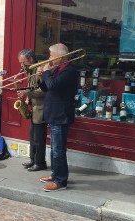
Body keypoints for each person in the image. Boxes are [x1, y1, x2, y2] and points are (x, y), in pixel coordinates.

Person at [38, 43, 78, 192]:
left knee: (58, 150)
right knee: (54, 149)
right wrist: (41, 76)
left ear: (60, 57)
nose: (49, 58)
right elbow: (45, 87)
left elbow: (53, 85)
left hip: (61, 115)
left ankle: (61, 181)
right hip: (53, 114)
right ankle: (55, 175)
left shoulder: (69, 71)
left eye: (51, 56)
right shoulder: (56, 70)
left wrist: (46, 73)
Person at [17, 49, 47, 172]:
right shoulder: (30, 70)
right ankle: (33, 159)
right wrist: (27, 99)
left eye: (23, 62)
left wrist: (27, 93)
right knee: (32, 136)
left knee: (39, 139)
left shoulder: (41, 69)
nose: (21, 65)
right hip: (34, 108)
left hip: (41, 108)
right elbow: (32, 87)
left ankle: (40, 163)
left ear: (30, 59)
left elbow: (43, 90)